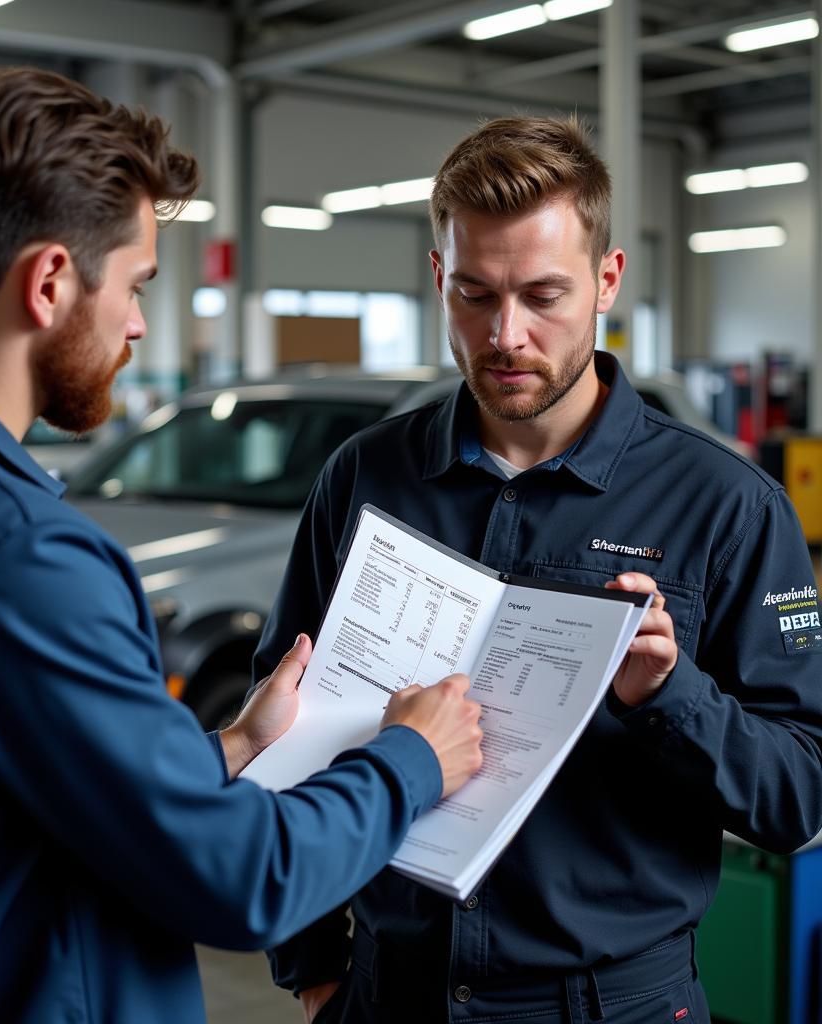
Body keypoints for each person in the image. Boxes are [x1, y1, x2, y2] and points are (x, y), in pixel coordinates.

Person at [0, 66, 487, 1024]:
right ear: (47, 282)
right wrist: (413, 758)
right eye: (134, 285)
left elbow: (4, 779)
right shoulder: (19, 550)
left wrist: (233, 746)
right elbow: (240, 880)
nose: (135, 325)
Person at [254, 115, 822, 1024]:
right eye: (474, 294)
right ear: (439, 279)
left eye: (543, 295)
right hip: (387, 991)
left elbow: (800, 795)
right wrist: (316, 967)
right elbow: (284, 723)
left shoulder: (729, 506)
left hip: (611, 1002)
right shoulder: (364, 478)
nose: (505, 334)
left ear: (607, 282)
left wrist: (672, 696)